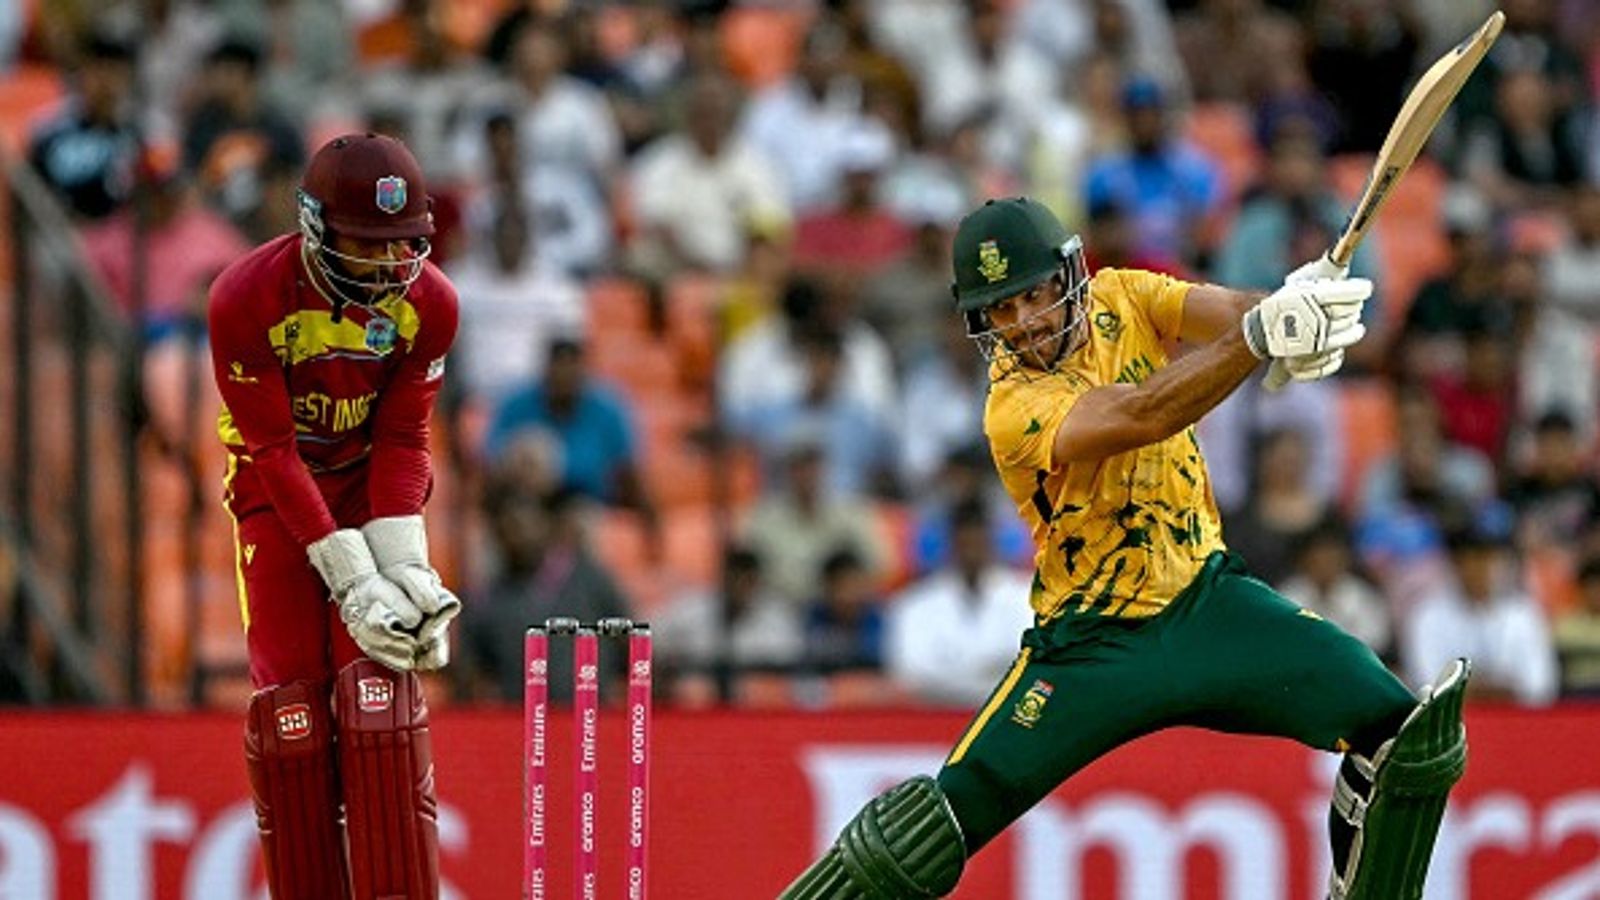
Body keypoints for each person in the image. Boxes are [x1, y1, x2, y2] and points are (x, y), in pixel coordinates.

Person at [781, 197, 1470, 900]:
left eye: (1030, 297)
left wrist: (1297, 307)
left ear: (1067, 275)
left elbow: (1233, 315)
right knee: (926, 831)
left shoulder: (1124, 295)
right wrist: (1264, 336)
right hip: (1090, 648)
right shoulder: (1011, 407)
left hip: (1211, 604)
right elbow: (1141, 414)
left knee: (1406, 738)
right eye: (999, 311)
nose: (1020, 323)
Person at [208, 133, 459, 900]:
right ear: (316, 229)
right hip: (272, 491)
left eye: (402, 246)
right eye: (367, 245)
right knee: (293, 715)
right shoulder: (245, 297)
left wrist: (405, 563)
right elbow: (276, 450)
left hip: (366, 486)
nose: (388, 267)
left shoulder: (432, 305)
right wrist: (352, 578)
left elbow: (402, 437)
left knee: (375, 704)